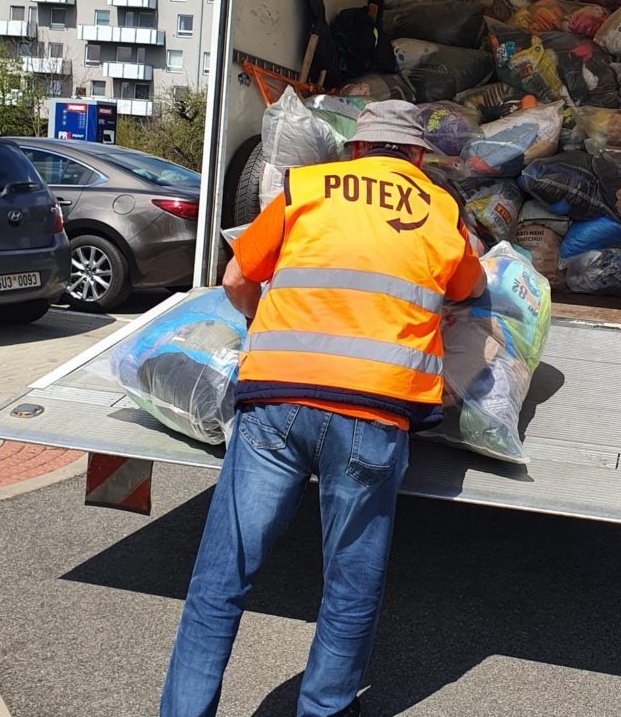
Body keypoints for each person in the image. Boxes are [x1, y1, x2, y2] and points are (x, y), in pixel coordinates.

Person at [161, 101, 486, 717]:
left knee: (223, 574)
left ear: (357, 148)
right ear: (418, 157)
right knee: (349, 579)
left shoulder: (304, 185)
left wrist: (266, 322)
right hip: (373, 412)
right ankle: (325, 708)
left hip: (275, 402)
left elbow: (235, 279)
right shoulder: (441, 209)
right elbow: (468, 288)